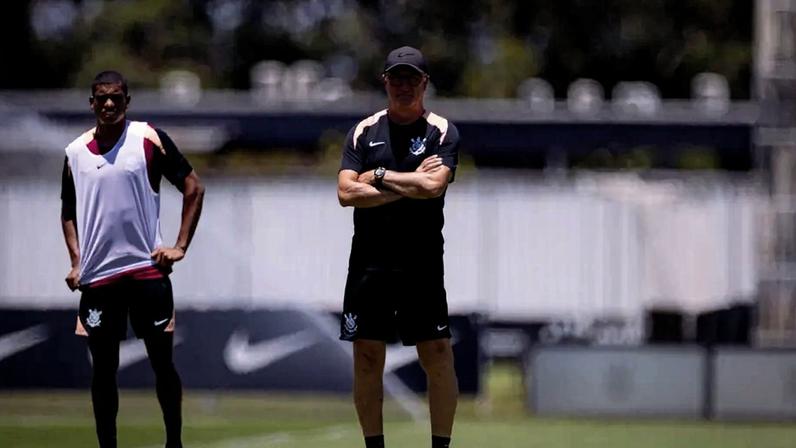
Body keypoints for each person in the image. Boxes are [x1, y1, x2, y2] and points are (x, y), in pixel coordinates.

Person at [60, 70, 205, 448]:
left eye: (117, 98)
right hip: (98, 280)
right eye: (102, 98)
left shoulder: (148, 138)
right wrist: (77, 261)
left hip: (147, 272)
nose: (110, 104)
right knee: (103, 373)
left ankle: (174, 442)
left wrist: (180, 246)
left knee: (162, 363)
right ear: (92, 103)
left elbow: (193, 185)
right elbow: (68, 212)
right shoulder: (74, 152)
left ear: (128, 101)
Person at [337, 46, 459, 448]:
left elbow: (434, 186)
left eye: (412, 79)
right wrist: (407, 186)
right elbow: (345, 192)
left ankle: (440, 445)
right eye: (396, 78)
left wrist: (381, 175)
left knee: (437, 353)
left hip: (421, 263)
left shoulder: (441, 130)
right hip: (370, 264)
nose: (404, 87)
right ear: (384, 81)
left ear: (425, 83)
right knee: (368, 357)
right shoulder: (363, 131)